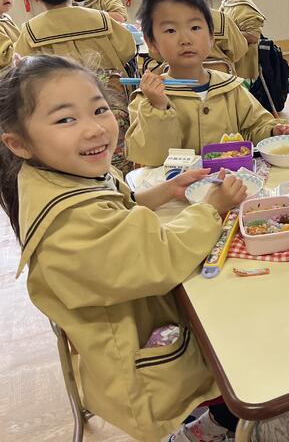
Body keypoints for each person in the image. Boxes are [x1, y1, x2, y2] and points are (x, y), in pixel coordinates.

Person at [0, 54, 248, 441]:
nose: (95, 129)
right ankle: (210, 427)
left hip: (141, 313)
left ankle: (217, 418)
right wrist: (210, 209)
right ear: (19, 143)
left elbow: (119, 204)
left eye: (99, 109)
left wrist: (167, 190)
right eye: (65, 119)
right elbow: (159, 256)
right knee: (232, 355)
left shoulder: (64, 173)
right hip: (137, 357)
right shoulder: (70, 222)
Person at [125, 0, 289, 167]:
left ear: (211, 36)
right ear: (151, 43)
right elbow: (152, 158)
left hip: (231, 180)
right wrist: (158, 108)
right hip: (179, 184)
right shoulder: (146, 99)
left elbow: (255, 126)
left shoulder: (231, 87)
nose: (185, 39)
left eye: (195, 28)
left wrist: (273, 131)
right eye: (170, 30)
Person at [14, 0, 135, 72]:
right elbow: (128, 50)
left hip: (56, 86)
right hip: (105, 85)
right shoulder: (102, 19)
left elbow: (21, 65)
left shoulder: (30, 31)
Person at [166, 0, 248, 72]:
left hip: (178, 81)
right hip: (221, 81)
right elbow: (239, 51)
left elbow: (156, 54)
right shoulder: (221, 19)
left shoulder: (163, 22)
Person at [214, 0, 265, 80]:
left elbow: (253, 36)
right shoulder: (227, 2)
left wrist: (224, 34)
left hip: (242, 67)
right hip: (231, 62)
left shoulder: (245, 6)